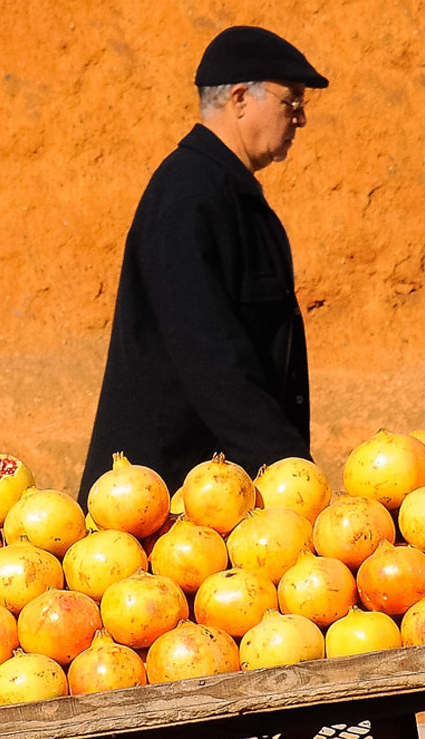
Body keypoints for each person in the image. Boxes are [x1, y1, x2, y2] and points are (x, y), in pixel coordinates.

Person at [78, 26, 327, 500]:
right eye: (291, 103)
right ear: (239, 98)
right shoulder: (189, 196)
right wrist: (287, 470)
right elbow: (211, 354)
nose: (301, 120)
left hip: (219, 496)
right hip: (161, 507)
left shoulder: (227, 194)